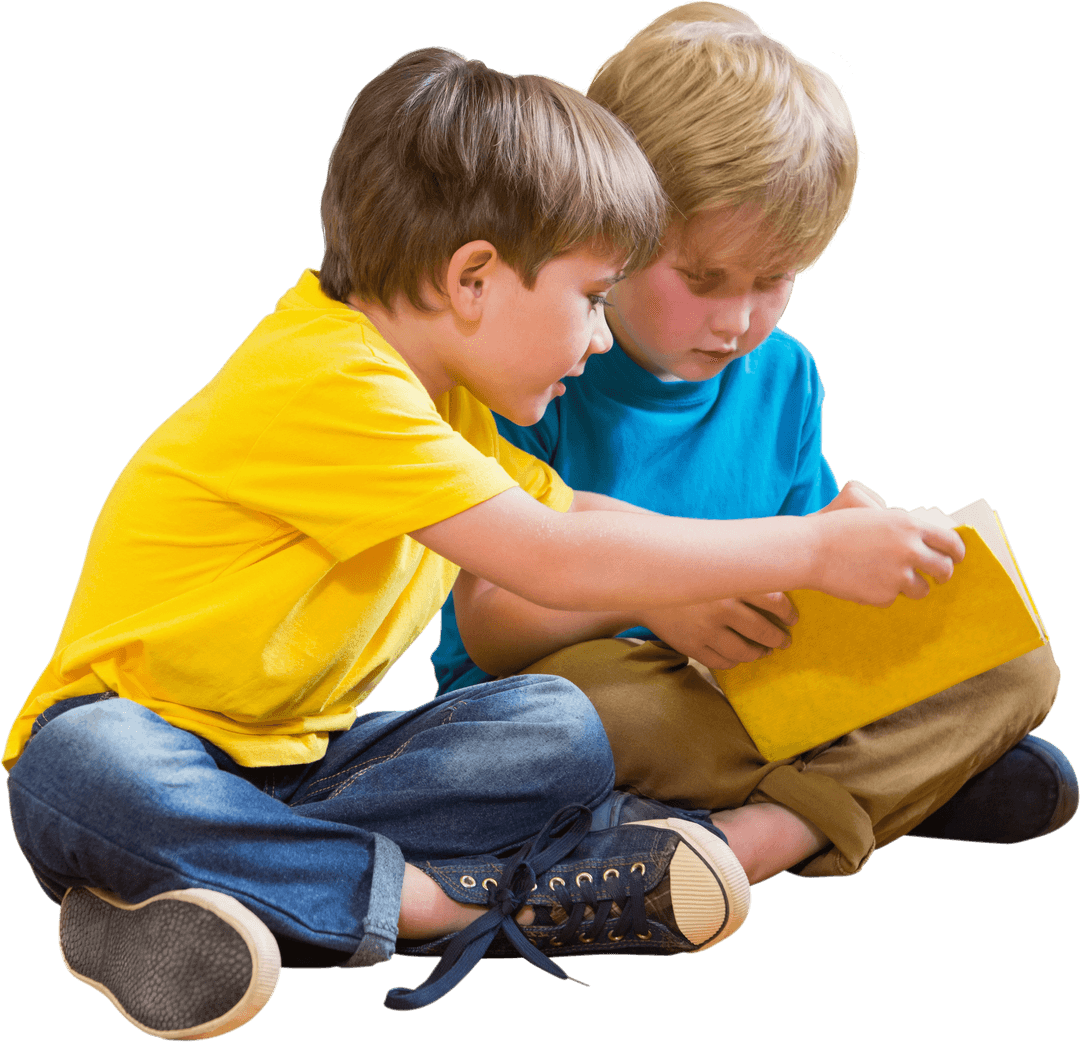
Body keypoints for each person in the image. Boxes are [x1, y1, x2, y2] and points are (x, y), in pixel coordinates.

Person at [3, 44, 970, 1039]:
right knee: (83, 760)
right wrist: (809, 554)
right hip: (140, 746)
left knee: (555, 726)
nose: (601, 336)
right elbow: (549, 557)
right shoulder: (333, 381)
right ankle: (445, 904)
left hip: (296, 769)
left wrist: (805, 532)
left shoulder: (448, 402)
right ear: (473, 278)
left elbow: (577, 515)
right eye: (591, 298)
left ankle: (192, 896)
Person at [434, 2, 1073, 887]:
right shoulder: (533, 368)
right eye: (703, 279)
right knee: (585, 718)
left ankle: (741, 829)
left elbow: (801, 574)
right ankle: (859, 798)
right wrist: (661, 593)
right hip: (578, 691)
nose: (737, 321)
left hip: (738, 687)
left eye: (775, 280)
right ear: (605, 231)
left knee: (1020, 667)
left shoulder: (785, 377)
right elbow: (491, 625)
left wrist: (864, 560)